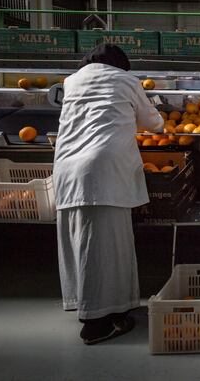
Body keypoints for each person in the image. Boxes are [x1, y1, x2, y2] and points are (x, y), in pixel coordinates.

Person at [54, 44, 164, 345]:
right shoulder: (126, 80)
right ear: (120, 65)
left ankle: (98, 307)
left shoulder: (72, 81)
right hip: (103, 169)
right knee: (105, 247)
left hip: (66, 167)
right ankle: (96, 323)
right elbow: (154, 124)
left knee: (80, 242)